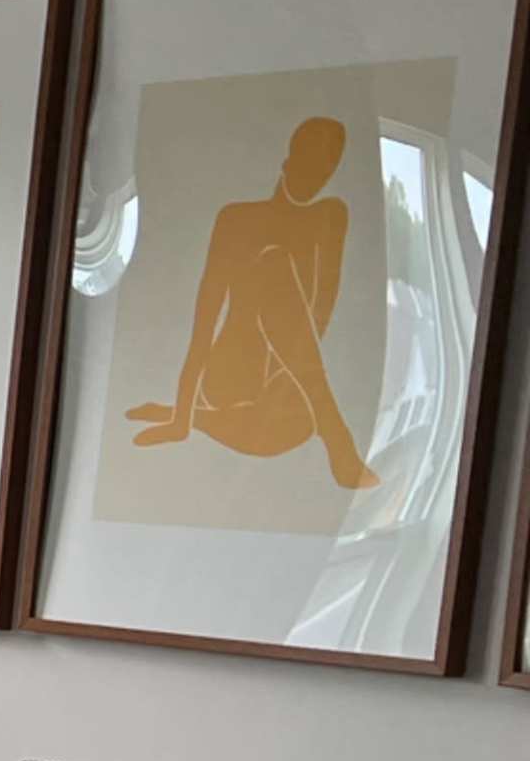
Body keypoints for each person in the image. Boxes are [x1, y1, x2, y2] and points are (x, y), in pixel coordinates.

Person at [129, 113, 379, 491]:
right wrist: (180, 415)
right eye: (309, 163)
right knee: (273, 264)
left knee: (287, 427)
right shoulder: (236, 218)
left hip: (288, 389)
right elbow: (205, 319)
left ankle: (206, 418)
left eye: (327, 169)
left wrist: (187, 416)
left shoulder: (329, 217)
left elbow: (322, 311)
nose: (318, 178)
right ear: (287, 160)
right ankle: (336, 436)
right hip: (232, 377)